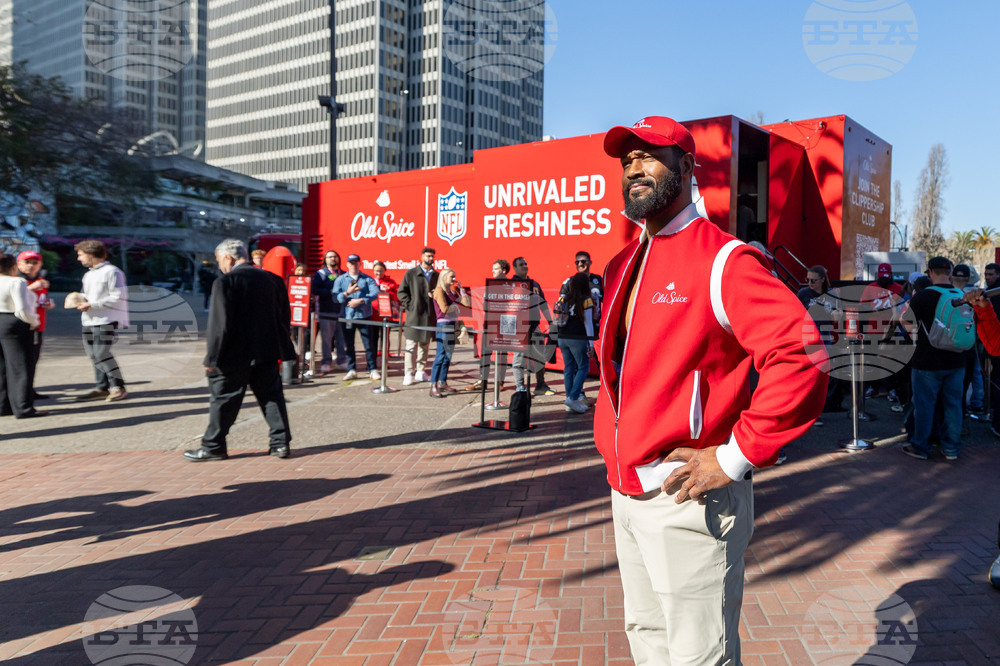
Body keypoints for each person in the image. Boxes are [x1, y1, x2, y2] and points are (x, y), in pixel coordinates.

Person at [598, 116, 827, 664]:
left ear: (686, 166)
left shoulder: (723, 258)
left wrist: (734, 457)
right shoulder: (619, 265)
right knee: (646, 638)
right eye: (626, 160)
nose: (634, 168)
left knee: (701, 655)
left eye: (649, 156)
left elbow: (804, 356)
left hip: (691, 495)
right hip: (625, 491)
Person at [184, 239, 295, 462]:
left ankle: (214, 446)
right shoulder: (273, 279)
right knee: (272, 397)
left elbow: (219, 325)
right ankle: (280, 444)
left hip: (235, 353)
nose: (219, 266)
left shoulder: (226, 281)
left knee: (224, 400)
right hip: (267, 349)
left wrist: (212, 357)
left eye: (219, 261)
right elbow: (284, 317)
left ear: (228, 257)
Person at [902, 256, 966, 461]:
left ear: (930, 272)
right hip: (957, 359)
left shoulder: (923, 296)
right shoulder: (962, 295)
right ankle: (951, 449)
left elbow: (907, 324)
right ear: (950, 272)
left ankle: (920, 447)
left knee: (924, 406)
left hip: (927, 361)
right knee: (953, 406)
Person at [75, 240, 129, 402]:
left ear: (91, 254)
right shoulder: (88, 274)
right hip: (89, 320)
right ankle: (101, 387)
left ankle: (118, 387)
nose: (78, 259)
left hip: (107, 319)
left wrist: (92, 304)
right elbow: (86, 294)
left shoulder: (112, 272)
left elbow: (119, 297)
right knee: (93, 355)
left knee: (102, 353)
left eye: (80, 255)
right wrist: (78, 299)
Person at [0, 253, 43, 418]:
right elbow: (22, 308)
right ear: (13, 267)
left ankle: (3, 406)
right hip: (14, 322)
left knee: (1, 367)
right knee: (20, 366)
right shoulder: (16, 281)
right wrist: (34, 322)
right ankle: (23, 408)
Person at [510, 257, 556, 395]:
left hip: (534, 327)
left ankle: (540, 385)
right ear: (515, 268)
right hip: (518, 328)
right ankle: (520, 387)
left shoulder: (534, 284)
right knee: (519, 359)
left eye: (526, 263)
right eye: (521, 265)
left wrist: (551, 321)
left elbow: (543, 304)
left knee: (539, 357)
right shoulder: (511, 284)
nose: (525, 266)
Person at [332, 254, 381, 381]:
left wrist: (361, 300)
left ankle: (372, 369)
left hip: (364, 316)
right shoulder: (341, 279)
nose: (353, 265)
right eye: (351, 263)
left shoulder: (367, 278)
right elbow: (335, 297)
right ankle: (352, 369)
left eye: (356, 262)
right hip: (347, 316)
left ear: (360, 264)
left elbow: (375, 293)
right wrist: (347, 293)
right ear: (347, 265)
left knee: (368, 344)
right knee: (349, 344)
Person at [555, 272, 597, 414]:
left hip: (562, 336)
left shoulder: (566, 297)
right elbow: (588, 323)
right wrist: (591, 344)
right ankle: (573, 398)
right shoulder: (586, 300)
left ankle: (569, 399)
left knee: (568, 368)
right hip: (577, 338)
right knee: (583, 367)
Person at [468, 259, 512, 392]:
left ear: (503, 271)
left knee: (502, 354)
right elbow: (485, 304)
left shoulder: (510, 286)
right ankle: (483, 380)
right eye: (492, 268)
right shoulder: (490, 285)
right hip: (489, 323)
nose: (492, 271)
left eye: (496, 268)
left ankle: (500, 382)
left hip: (504, 324)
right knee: (485, 353)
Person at [16, 250, 55, 401]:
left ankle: (29, 389)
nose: (31, 266)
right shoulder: (16, 280)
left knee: (33, 359)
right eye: (27, 262)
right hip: (21, 326)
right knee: (20, 361)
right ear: (19, 264)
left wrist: (48, 304)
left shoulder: (41, 281)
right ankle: (21, 393)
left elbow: (40, 300)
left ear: (40, 265)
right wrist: (32, 288)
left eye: (35, 262)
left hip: (38, 325)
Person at [398, 247, 439, 385]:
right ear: (421, 257)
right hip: (414, 315)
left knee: (425, 345)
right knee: (410, 345)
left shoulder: (436, 275)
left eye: (432, 256)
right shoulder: (411, 273)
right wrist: (410, 306)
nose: (430, 259)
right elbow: (401, 292)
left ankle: (421, 371)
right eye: (428, 256)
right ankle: (408, 373)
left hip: (429, 315)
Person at [429, 268, 471, 397]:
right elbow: (445, 309)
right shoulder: (439, 291)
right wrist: (457, 306)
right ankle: (433, 385)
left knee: (448, 356)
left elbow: (467, 305)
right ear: (444, 277)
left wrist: (462, 291)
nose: (454, 279)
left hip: (453, 324)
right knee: (440, 356)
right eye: (451, 277)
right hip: (443, 325)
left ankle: (443, 382)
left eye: (454, 276)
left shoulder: (452, 291)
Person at [312, 250, 348, 375]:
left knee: (342, 339)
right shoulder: (321, 274)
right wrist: (330, 292)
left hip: (342, 311)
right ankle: (326, 362)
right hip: (326, 311)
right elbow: (315, 289)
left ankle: (342, 360)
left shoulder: (344, 274)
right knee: (327, 340)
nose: (333, 259)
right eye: (329, 257)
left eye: (335, 257)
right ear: (325, 260)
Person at [371, 260, 400, 359]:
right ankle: (372, 360)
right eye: (376, 271)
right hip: (373, 313)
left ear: (385, 271)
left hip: (385, 313)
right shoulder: (371, 281)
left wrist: (387, 290)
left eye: (381, 271)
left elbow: (395, 296)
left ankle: (385, 360)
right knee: (373, 337)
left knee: (385, 338)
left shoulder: (390, 282)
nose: (378, 273)